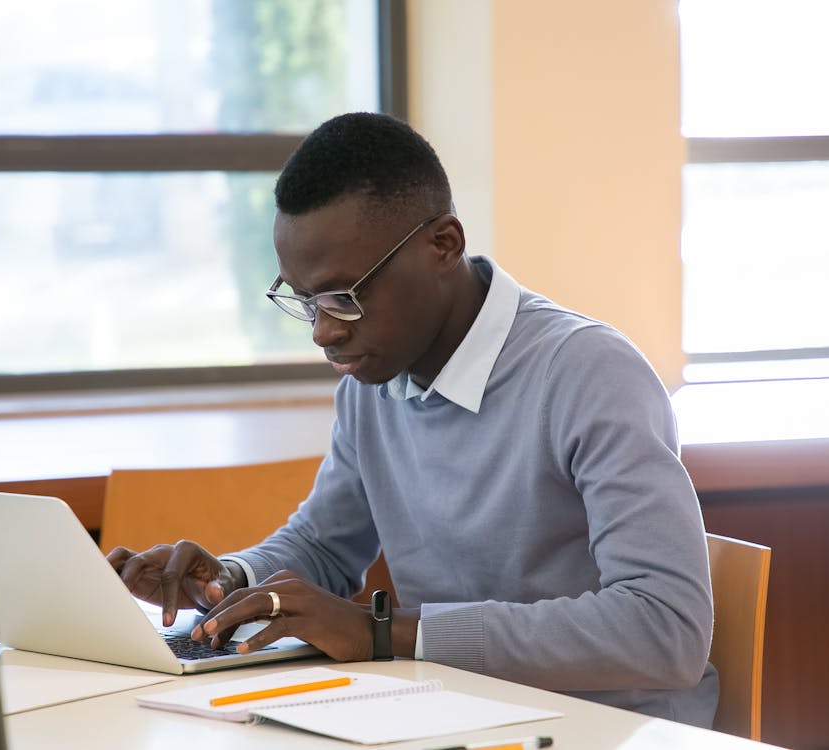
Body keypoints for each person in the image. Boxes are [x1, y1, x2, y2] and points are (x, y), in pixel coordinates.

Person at [107, 112, 718, 726]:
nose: (324, 332)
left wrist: (385, 632)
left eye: (344, 295)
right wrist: (229, 580)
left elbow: (664, 628)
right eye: (304, 299)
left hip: (607, 727)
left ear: (443, 246)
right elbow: (324, 544)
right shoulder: (373, 375)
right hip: (455, 715)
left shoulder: (589, 373)